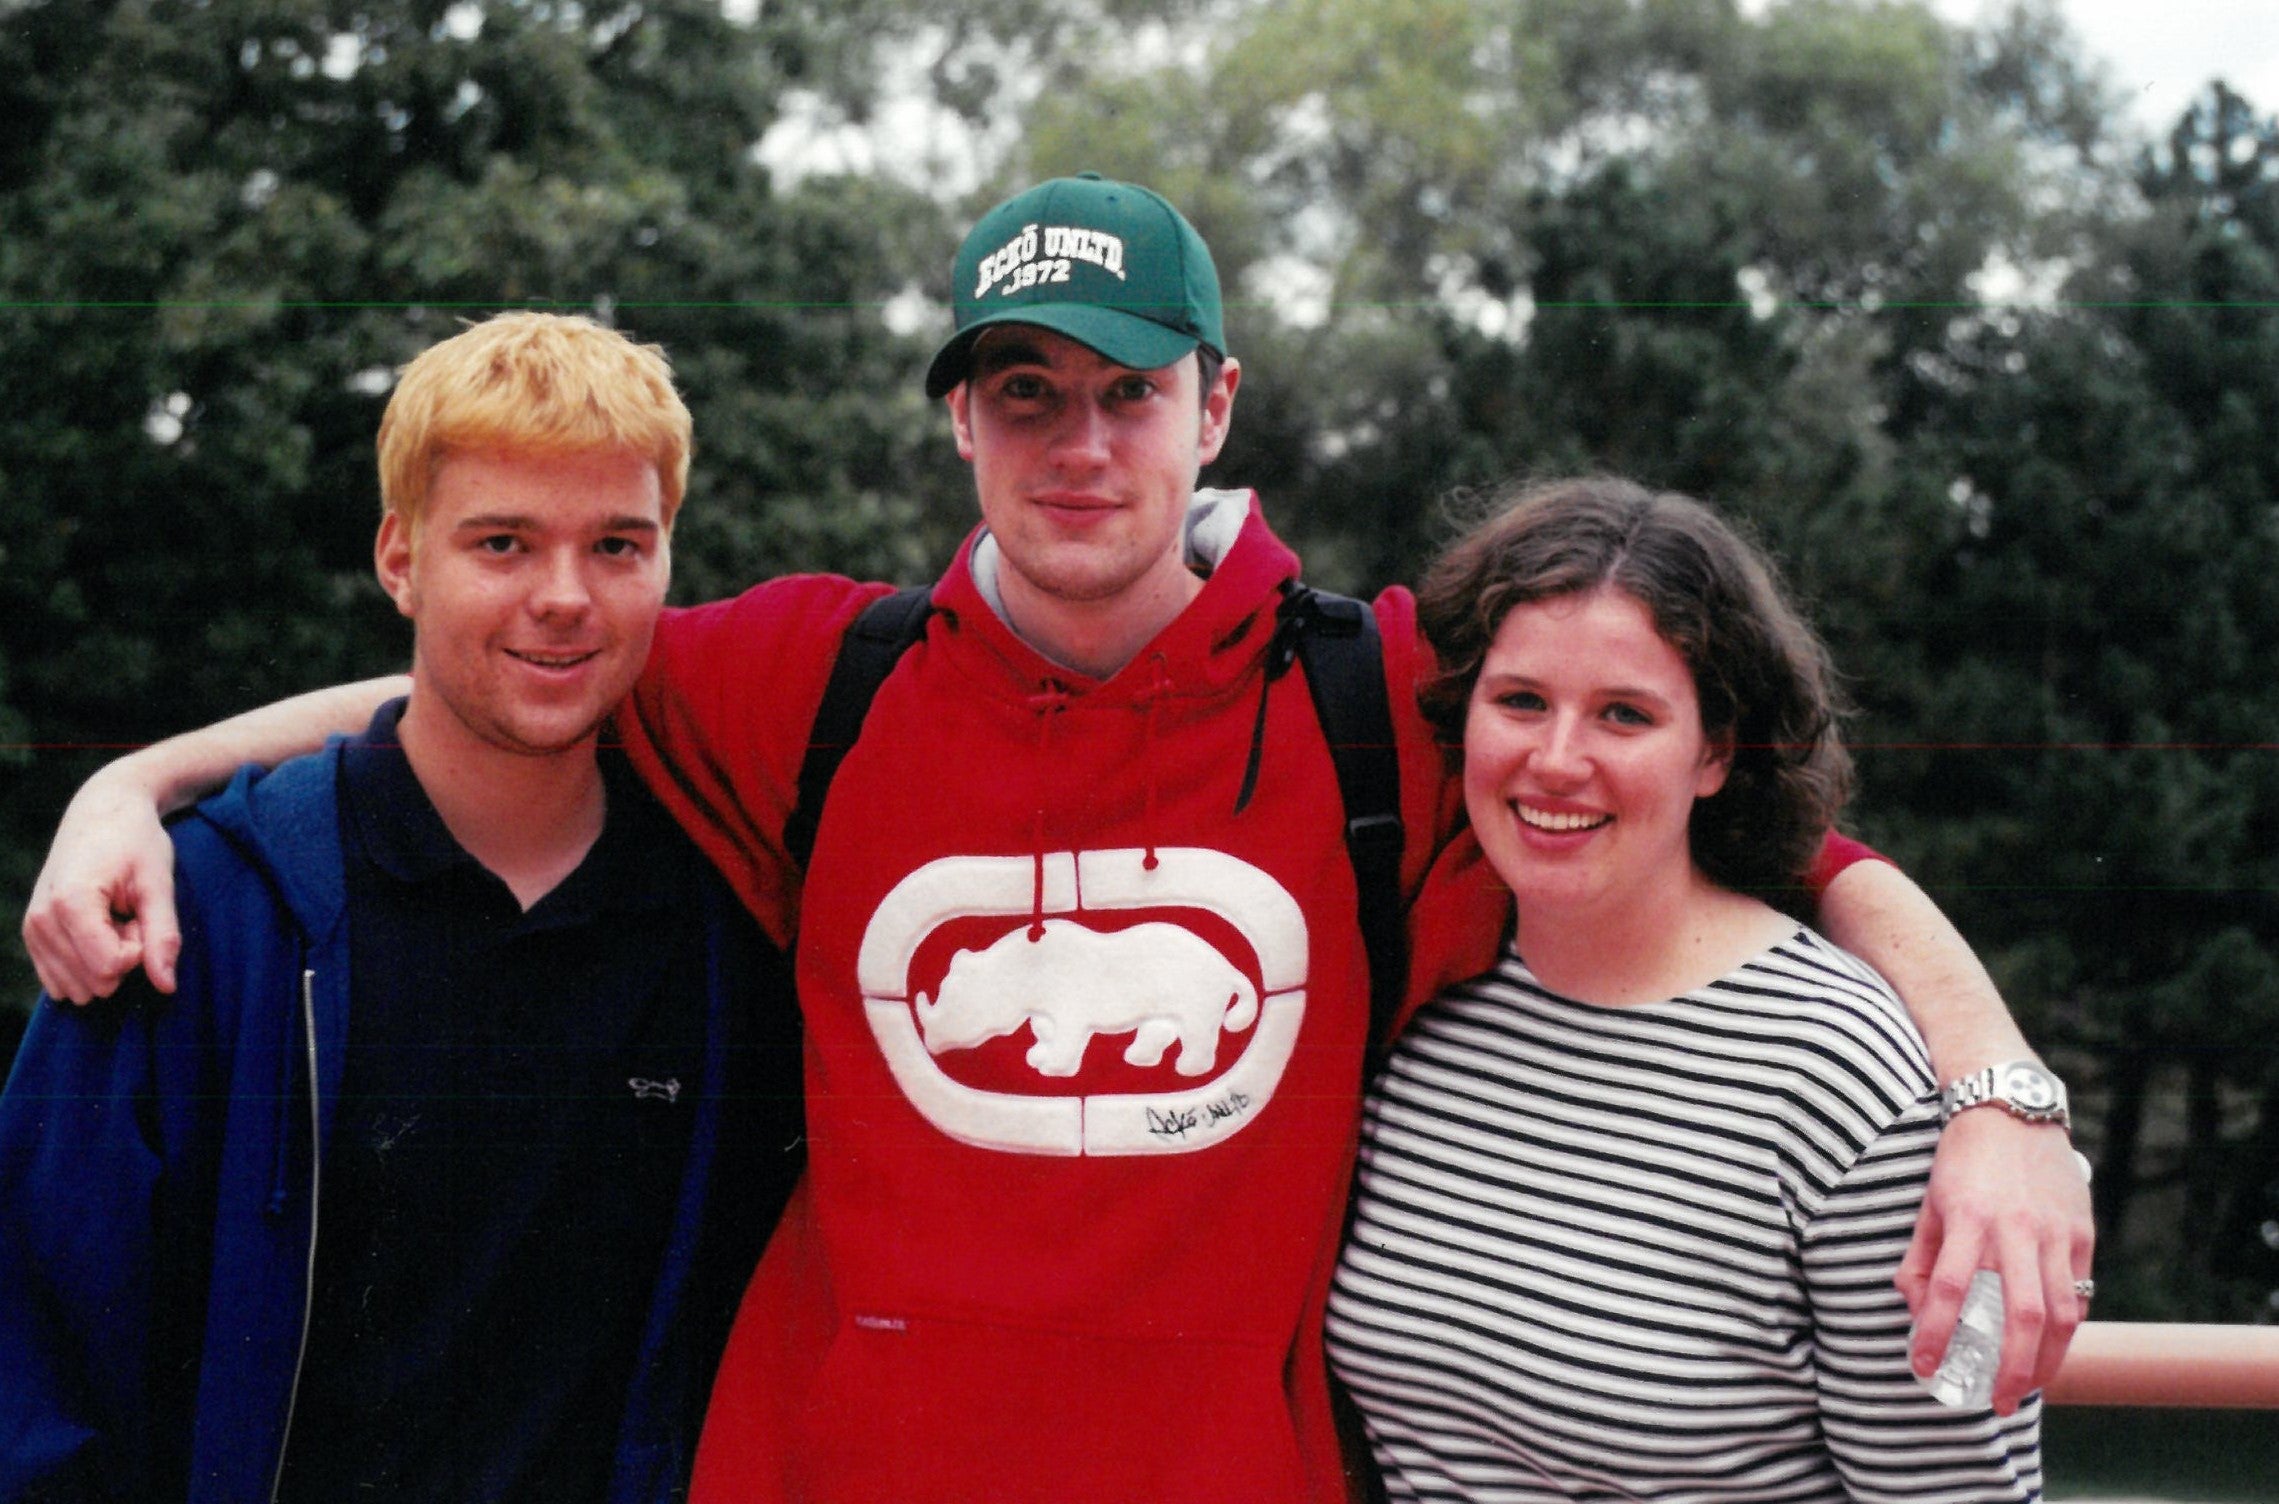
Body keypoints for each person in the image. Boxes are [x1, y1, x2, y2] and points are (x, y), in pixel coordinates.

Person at [17, 177, 2087, 1502]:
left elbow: (1750, 828)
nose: (1075, 443)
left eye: (1125, 392)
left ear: (1214, 404)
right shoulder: (809, 677)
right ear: (957, 418)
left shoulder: (1384, 697)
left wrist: (1989, 1090)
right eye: (1022, 392)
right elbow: (500, 675)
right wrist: (143, 781)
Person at [0, 313, 802, 1503]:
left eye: (616, 546)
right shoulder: (202, 915)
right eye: (502, 543)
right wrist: (127, 785)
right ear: (399, 558)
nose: (564, 597)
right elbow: (34, 1377)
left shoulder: (734, 913)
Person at [1326, 476, 2044, 1499]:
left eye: (1623, 714)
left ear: (1714, 751)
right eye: (1520, 700)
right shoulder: (1426, 1000)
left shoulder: (1849, 1080)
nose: (1555, 760)